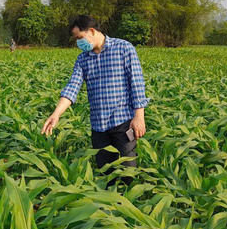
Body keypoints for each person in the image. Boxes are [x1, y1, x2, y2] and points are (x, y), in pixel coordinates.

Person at [41, 15, 149, 185]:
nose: (78, 43)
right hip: (99, 127)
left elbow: (137, 83)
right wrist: (56, 114)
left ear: (91, 31)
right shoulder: (83, 59)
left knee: (128, 174)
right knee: (106, 177)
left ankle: (128, 207)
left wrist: (139, 116)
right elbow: (72, 87)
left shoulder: (123, 48)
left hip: (123, 123)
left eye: (79, 38)